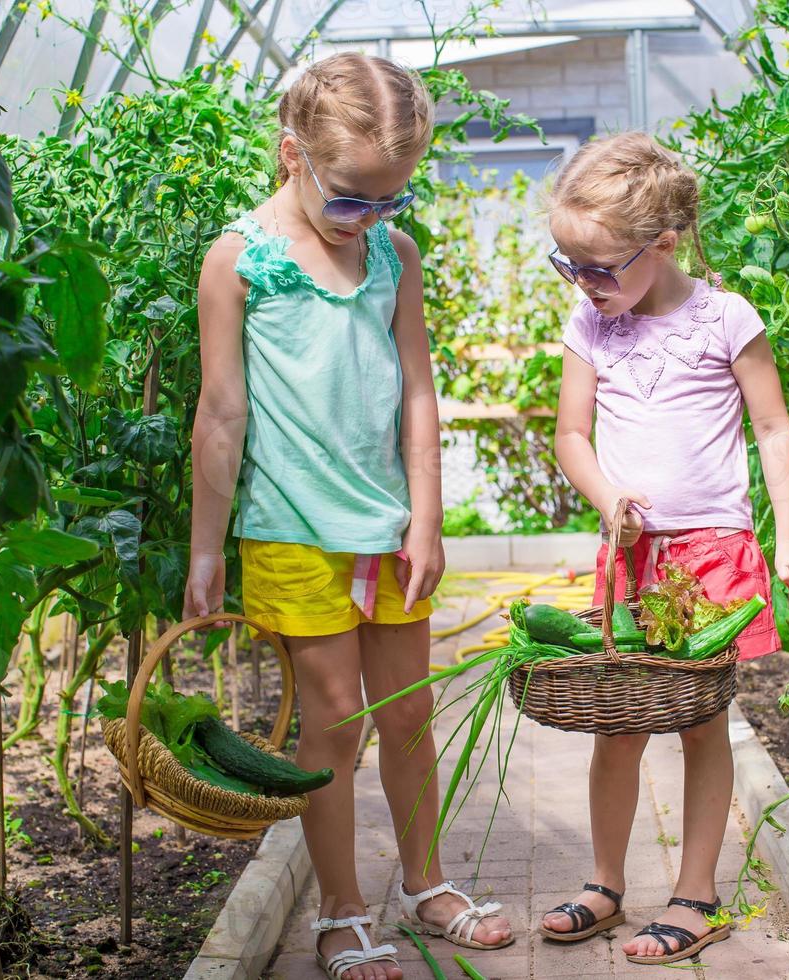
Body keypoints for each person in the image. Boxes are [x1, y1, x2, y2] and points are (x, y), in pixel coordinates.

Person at [184, 53, 513, 980]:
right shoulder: (240, 260)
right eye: (351, 200)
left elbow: (418, 392)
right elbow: (221, 413)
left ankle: (427, 885)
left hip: (385, 528)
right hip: (290, 530)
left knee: (408, 715)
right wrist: (208, 549)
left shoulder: (388, 258)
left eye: (389, 202)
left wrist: (428, 519)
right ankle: (341, 908)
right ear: (292, 155)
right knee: (333, 722)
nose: (369, 220)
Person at [539, 131, 789, 965]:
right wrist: (605, 493)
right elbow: (571, 436)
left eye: (599, 266)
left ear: (662, 245)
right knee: (615, 726)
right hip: (631, 552)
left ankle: (696, 895)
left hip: (712, 555)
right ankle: (604, 883)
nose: (585, 283)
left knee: (702, 723)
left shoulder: (725, 318)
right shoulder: (591, 323)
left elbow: (772, 428)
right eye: (570, 264)